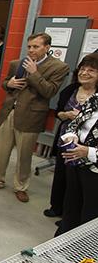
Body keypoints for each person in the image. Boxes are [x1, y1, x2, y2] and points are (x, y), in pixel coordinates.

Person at [0, 32, 70, 202]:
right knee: (1, 151)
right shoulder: (17, 63)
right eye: (29, 46)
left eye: (36, 47)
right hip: (9, 112)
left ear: (47, 48)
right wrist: (8, 84)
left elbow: (49, 91)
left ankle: (21, 186)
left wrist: (33, 73)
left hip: (31, 117)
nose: (31, 50)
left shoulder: (59, 67)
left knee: (24, 155)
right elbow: (6, 83)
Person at [45, 53, 98, 221]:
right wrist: (66, 114)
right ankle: (57, 207)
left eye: (91, 70)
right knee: (62, 173)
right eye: (82, 69)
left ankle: (72, 216)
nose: (85, 73)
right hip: (66, 137)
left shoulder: (96, 97)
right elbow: (58, 112)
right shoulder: (70, 90)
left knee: (81, 182)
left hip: (87, 146)